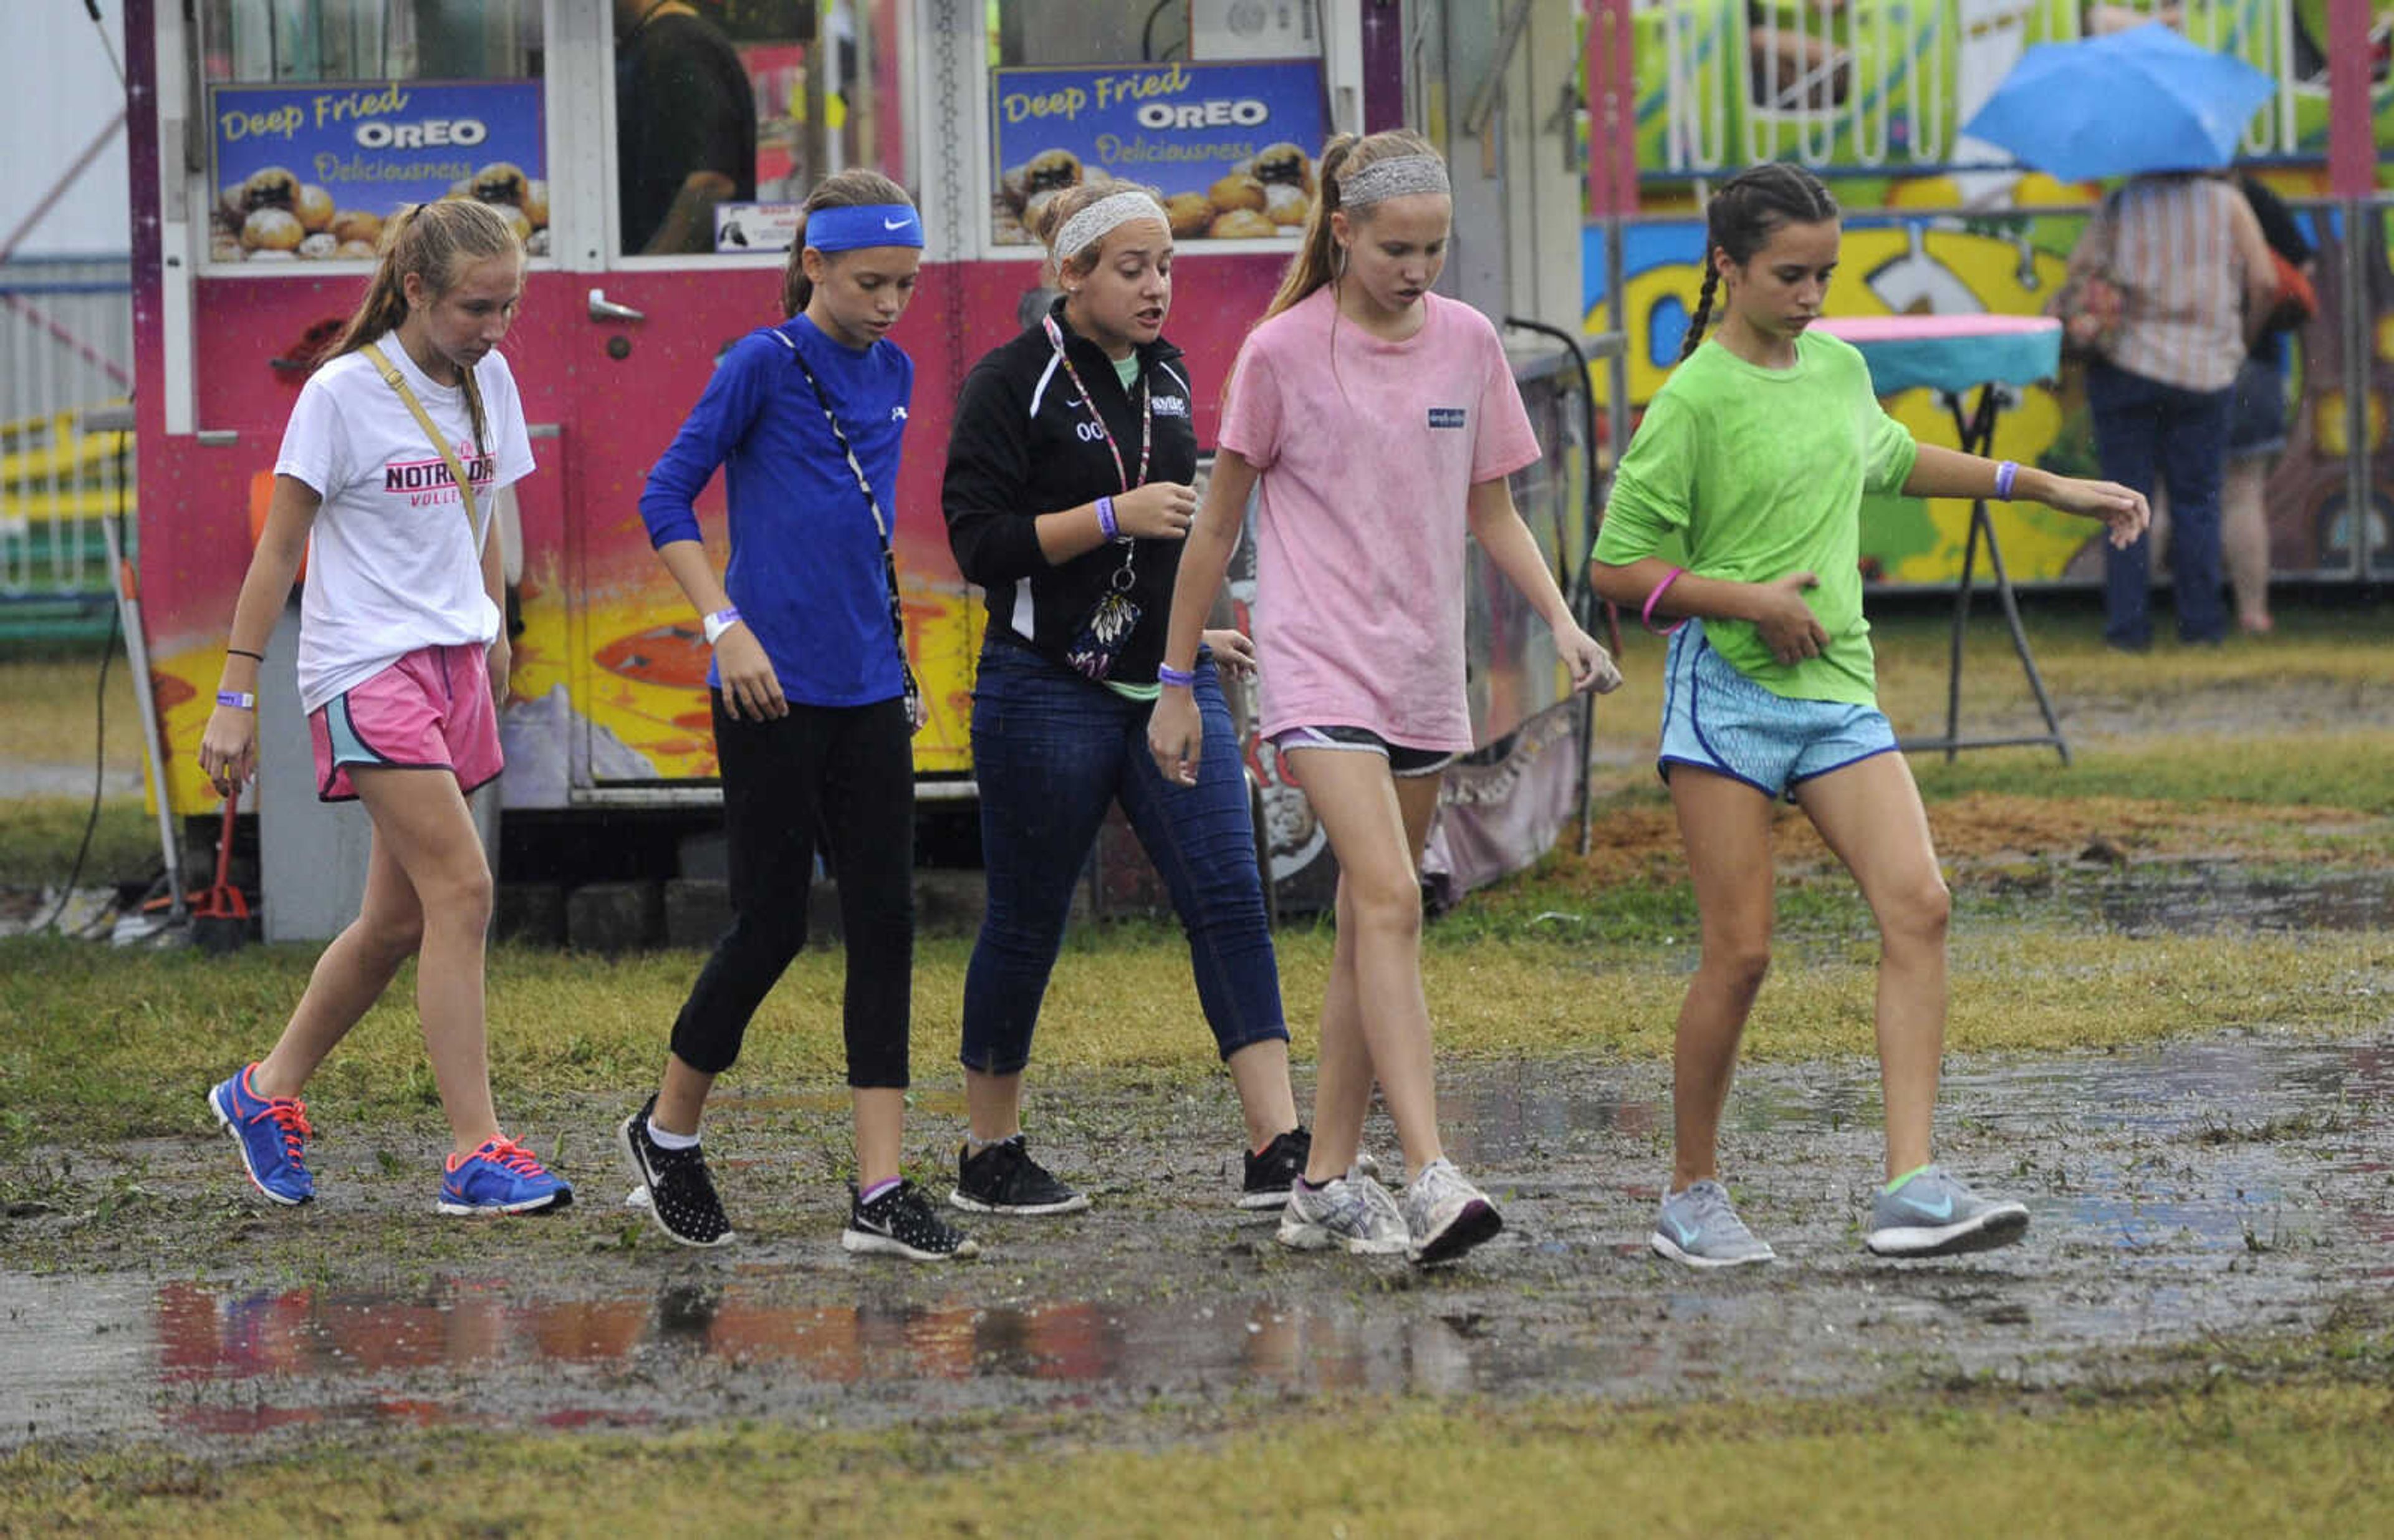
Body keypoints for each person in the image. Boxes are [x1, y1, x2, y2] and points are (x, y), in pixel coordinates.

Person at [1587, 163, 2149, 1268]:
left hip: (1837, 691)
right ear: (1729, 269)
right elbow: (1616, 570)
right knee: (1742, 957)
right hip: (1729, 702)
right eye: (1790, 275)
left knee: (1921, 906)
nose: (1811, 296)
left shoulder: (1840, 369)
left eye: (1824, 275)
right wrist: (1741, 599)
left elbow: (1890, 459)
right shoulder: (1692, 400)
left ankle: (1911, 1187)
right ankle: (1691, 1193)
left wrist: (2046, 487)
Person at [1148, 131, 1622, 1265]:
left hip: (1421, 667)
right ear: (1343, 232)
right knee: (1393, 897)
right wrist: (1173, 682)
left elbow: (1494, 511)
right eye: (1397, 248)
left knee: (1373, 922)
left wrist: (1564, 625)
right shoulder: (1279, 353)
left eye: (1435, 249)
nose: (1418, 269)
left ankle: (1320, 1178)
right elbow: (1215, 526)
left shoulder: (1467, 346)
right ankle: (1430, 1169)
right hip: (1315, 664)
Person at [615, 171, 977, 1263]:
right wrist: (725, 625)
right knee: (771, 922)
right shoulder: (760, 365)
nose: (889, 305)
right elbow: (663, 497)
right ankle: (667, 1132)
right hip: (769, 691)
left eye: (907, 285)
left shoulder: (904, 368)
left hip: (872, 688)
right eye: (870, 282)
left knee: (886, 923)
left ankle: (879, 1186)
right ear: (813, 265)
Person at [939, 181, 1307, 1220]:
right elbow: (980, 544)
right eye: (1133, 269)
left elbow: (1191, 537)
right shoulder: (1010, 382)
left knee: (1230, 900)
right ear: (1074, 277)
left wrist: (1195, 635)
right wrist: (1110, 514)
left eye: (1167, 269)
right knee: (1026, 920)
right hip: (1043, 689)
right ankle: (990, 1152)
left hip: (1170, 687)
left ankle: (1275, 1143)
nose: (1157, 289)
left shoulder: (1178, 375)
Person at [198, 200, 569, 1217]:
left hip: (452, 661)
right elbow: (280, 551)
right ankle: (475, 1152)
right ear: (414, 290)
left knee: (395, 921)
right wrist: (236, 694)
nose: (495, 329)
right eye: (473, 308)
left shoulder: (489, 377)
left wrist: (494, 623)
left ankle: (262, 1092)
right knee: (464, 891)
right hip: (366, 666)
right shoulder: (341, 394)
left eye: (508, 307)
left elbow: (479, 505)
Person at [2066, 169, 2276, 650]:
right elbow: (2264, 281)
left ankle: (2127, 629)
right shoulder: (2228, 203)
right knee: (2198, 501)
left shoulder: (2121, 205)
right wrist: (2239, 341)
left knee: (2123, 501)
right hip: (2207, 372)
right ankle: (2201, 627)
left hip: (2127, 367)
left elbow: (2079, 268)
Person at [2144, 175, 2314, 635]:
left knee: (2157, 490)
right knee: (2241, 492)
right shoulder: (2248, 196)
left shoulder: (2150, 196)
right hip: (2247, 363)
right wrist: (2245, 336)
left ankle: (2134, 613)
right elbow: (2288, 276)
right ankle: (2253, 611)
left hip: (2165, 361)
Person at [615, 0, 757, 255]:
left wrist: (649, 271)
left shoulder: (679, 46)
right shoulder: (654, 43)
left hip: (687, 283)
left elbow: (711, 184)